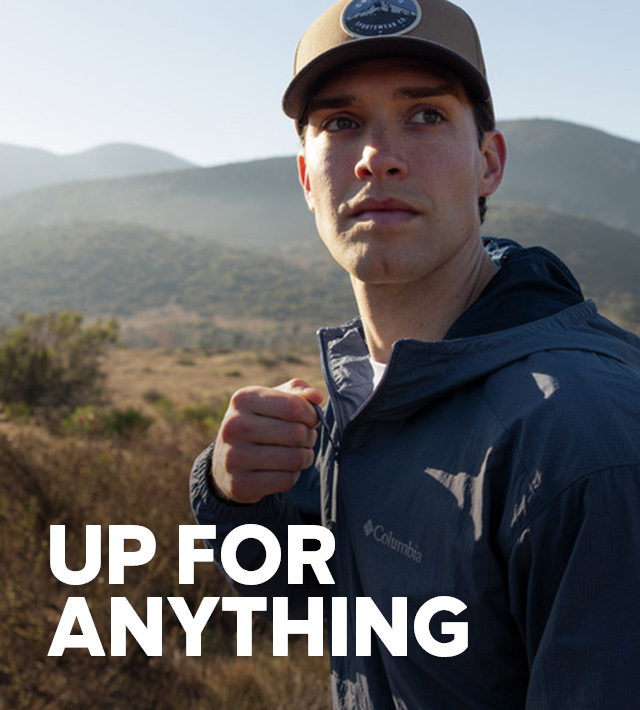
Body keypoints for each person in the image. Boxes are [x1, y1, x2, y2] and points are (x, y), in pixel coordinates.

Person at [190, 0, 640, 707]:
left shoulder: (583, 438)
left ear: (487, 163)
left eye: (425, 115)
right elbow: (354, 619)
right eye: (341, 123)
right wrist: (235, 497)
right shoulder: (365, 394)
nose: (378, 157)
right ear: (308, 180)